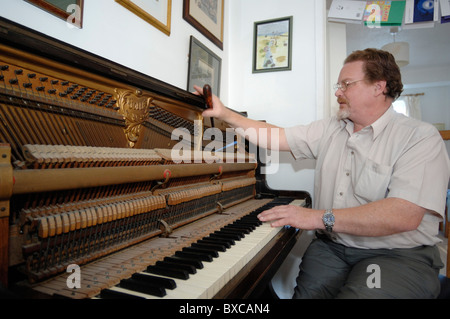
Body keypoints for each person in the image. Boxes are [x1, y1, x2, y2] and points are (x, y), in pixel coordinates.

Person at [194, 48, 450, 299]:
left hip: (395, 255)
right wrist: (225, 114)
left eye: (346, 84)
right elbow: (279, 137)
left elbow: (402, 215)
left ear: (378, 87)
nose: (338, 92)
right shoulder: (332, 127)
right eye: (338, 85)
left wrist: (318, 218)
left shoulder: (419, 137)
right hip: (333, 249)